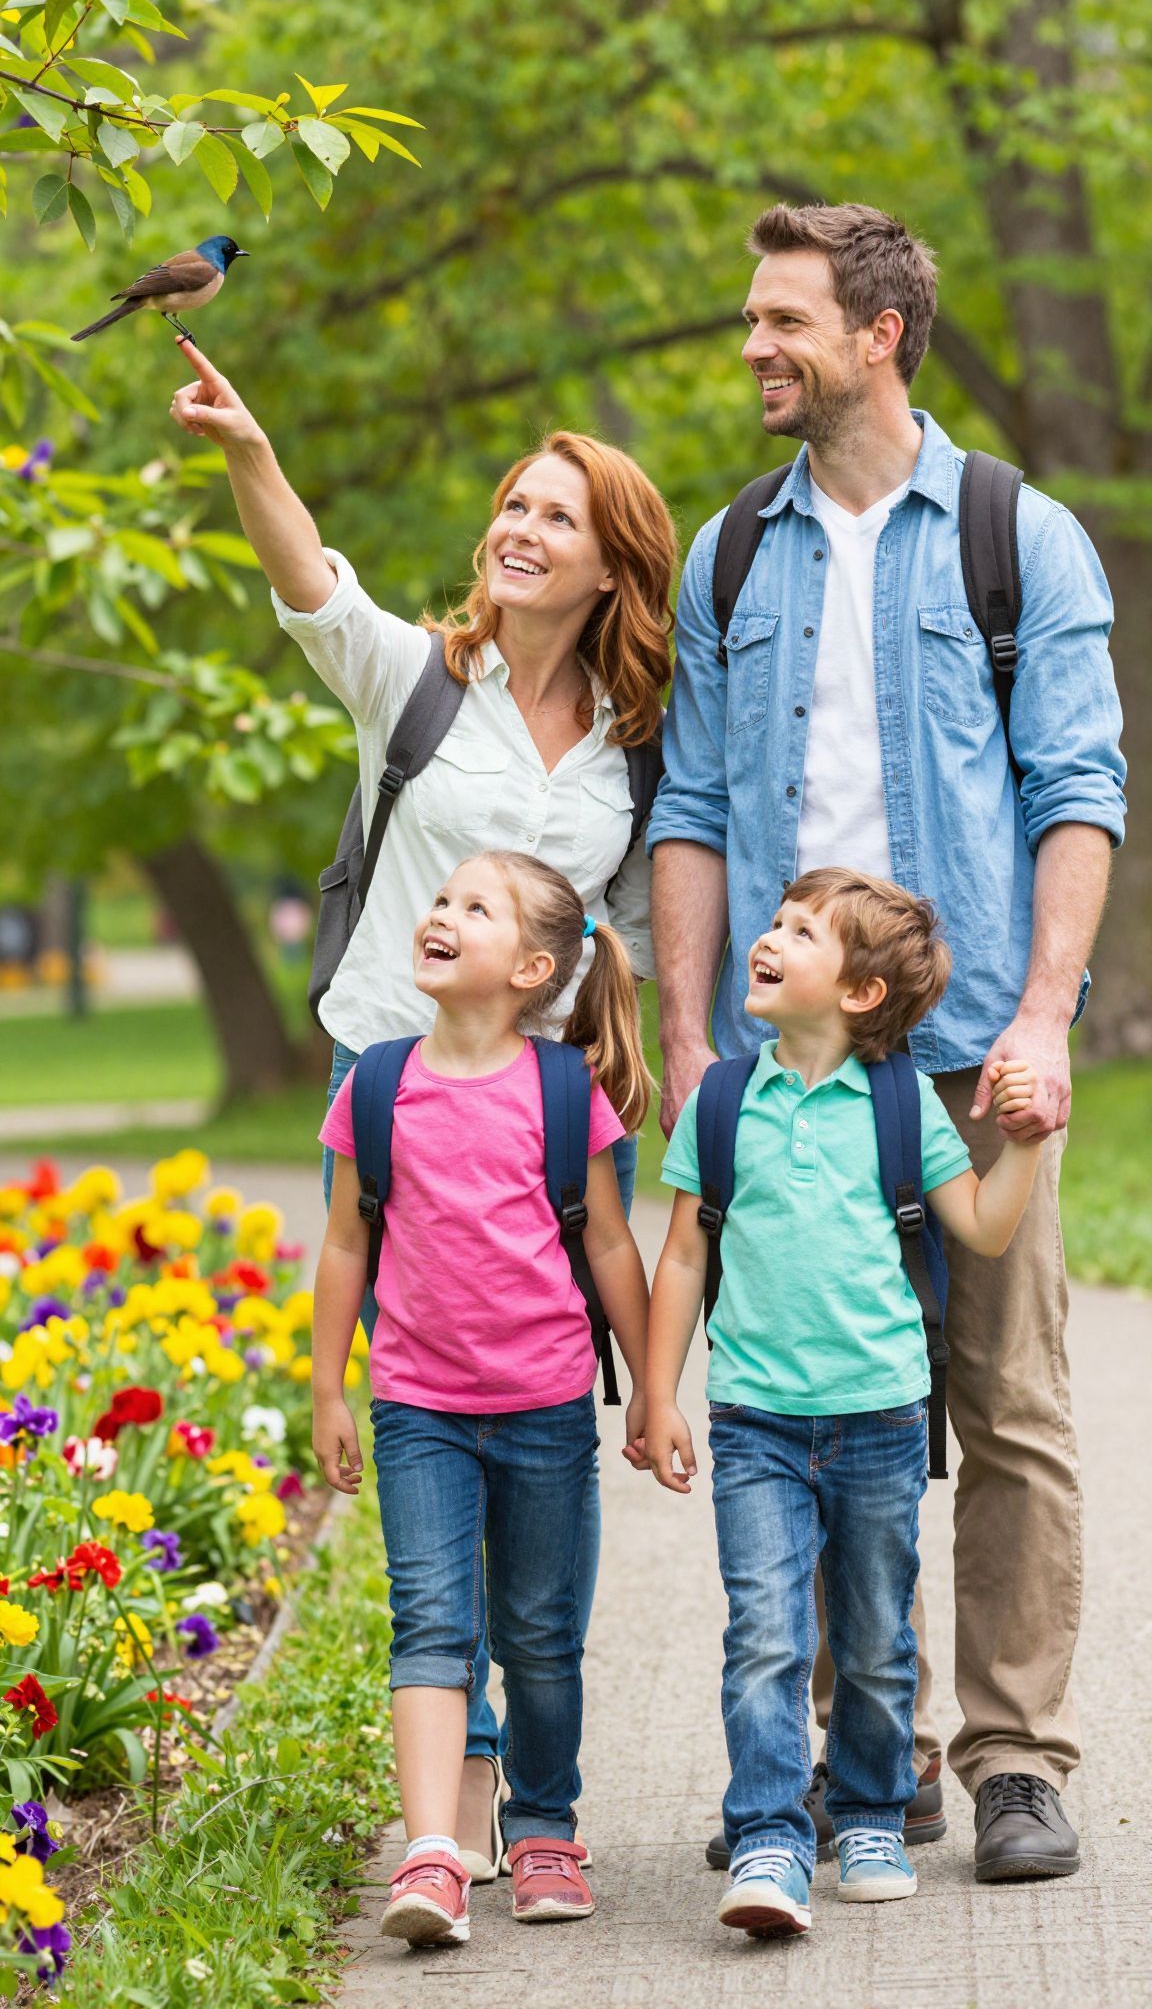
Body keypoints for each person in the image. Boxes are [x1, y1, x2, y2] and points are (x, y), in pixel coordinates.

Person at [647, 201, 1126, 1881]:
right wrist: (693, 1036)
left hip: (974, 1052)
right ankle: (872, 1759)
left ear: (877, 333)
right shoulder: (729, 554)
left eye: (782, 319)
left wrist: (1043, 1020)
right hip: (791, 1062)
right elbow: (692, 810)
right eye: (751, 319)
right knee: (817, 1397)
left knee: (1004, 1402)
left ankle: (1012, 1760)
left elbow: (1078, 789)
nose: (754, 347)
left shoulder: (1014, 534)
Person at [168, 347, 675, 1874]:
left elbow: (643, 934)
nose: (518, 527)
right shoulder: (418, 681)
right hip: (391, 1094)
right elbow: (313, 582)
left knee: (536, 1436)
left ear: (610, 566)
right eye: (510, 504)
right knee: (426, 1434)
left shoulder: (633, 749)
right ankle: (455, 1783)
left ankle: (540, 1791)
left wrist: (669, 1079)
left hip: (545, 1111)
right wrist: (252, 447)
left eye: (555, 515)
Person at [647, 869, 1050, 1937]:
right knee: (766, 1635)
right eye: (772, 924)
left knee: (873, 1638)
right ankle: (773, 1834)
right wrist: (655, 1389)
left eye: (799, 931)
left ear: (862, 992)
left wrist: (1025, 1141)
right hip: (755, 1422)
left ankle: (872, 1811)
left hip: (878, 1416)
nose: (765, 939)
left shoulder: (899, 1101)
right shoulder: (725, 1100)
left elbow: (983, 1228)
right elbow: (685, 1256)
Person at [311, 850, 650, 1946]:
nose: (441, 912)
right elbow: (342, 1245)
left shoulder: (562, 1090)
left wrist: (653, 1389)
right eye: (442, 896)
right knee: (432, 1627)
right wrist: (328, 1387)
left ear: (534, 966)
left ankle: (547, 1822)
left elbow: (608, 1241)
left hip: (548, 1404)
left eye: (475, 905)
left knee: (541, 1635)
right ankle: (433, 1852)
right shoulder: (376, 1080)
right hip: (417, 1408)